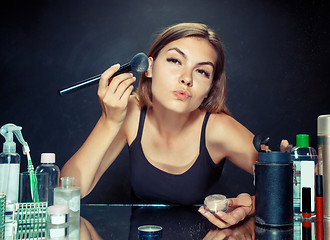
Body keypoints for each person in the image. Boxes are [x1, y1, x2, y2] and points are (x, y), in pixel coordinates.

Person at [61, 22, 258, 229]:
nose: (186, 79)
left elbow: (292, 179)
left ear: (209, 89)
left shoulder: (219, 128)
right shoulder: (131, 113)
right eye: (175, 60)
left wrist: (252, 205)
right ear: (148, 68)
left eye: (202, 72)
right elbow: (68, 191)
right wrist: (109, 122)